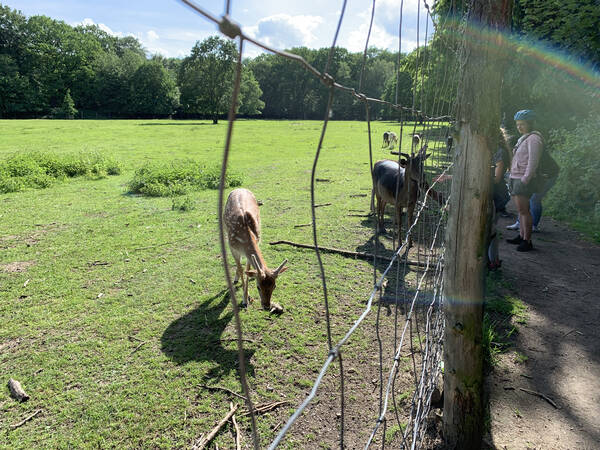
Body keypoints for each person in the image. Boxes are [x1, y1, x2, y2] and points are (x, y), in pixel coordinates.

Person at [506, 109, 543, 252]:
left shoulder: (534, 139)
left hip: (522, 179)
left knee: (524, 210)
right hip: (515, 177)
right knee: (520, 210)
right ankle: (521, 236)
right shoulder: (524, 138)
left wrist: (525, 179)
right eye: (517, 124)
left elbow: (533, 162)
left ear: (530, 124)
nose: (519, 127)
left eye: (522, 124)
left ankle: (527, 240)